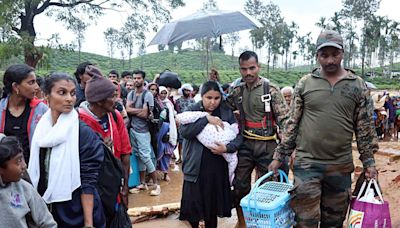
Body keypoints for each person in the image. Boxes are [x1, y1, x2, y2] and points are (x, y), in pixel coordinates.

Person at [269, 30, 378, 227]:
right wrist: (279, 155)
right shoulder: (305, 83)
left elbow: (365, 128)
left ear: (343, 53)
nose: (329, 60)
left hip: (340, 166)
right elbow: (292, 123)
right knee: (305, 221)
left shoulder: (357, 86)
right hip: (307, 165)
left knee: (334, 222)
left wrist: (369, 162)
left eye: (334, 54)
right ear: (317, 55)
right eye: (324, 55)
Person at [28, 73, 106, 228]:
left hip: (75, 211)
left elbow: (88, 179)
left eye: (72, 93)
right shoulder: (42, 129)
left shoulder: (82, 132)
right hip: (48, 209)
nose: (69, 99)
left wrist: (88, 223)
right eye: (62, 93)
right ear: (46, 96)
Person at [226, 50, 289, 227]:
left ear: (258, 67)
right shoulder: (236, 90)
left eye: (252, 68)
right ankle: (242, 222)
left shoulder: (271, 90)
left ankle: (265, 223)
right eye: (243, 69)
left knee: (268, 188)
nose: (248, 73)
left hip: (268, 144)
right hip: (245, 144)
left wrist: (285, 150)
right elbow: (224, 107)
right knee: (239, 186)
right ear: (239, 69)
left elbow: (286, 122)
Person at [179, 81, 243, 228]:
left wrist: (227, 148)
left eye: (216, 98)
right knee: (193, 208)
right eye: (209, 98)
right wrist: (206, 119)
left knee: (212, 209)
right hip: (195, 167)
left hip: (217, 167)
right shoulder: (193, 109)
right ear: (202, 96)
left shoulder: (226, 112)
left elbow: (239, 136)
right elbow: (185, 132)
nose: (213, 102)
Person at [78, 67, 132, 209]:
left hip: (114, 188)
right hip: (90, 191)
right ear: (100, 101)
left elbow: (125, 153)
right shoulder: (79, 121)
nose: (117, 100)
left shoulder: (115, 116)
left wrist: (125, 188)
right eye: (113, 96)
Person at [0, 135, 57, 228]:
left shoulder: (25, 189)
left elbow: (48, 224)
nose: (24, 165)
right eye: (18, 161)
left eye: (22, 158)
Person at [0, 64, 48, 165]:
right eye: (31, 82)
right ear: (15, 86)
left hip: (34, 169)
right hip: (5, 172)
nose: (37, 87)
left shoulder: (42, 109)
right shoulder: (1, 108)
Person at [126, 70, 161, 196]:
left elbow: (146, 114)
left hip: (144, 131)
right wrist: (138, 111)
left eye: (139, 78)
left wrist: (132, 110)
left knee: (145, 156)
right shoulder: (131, 94)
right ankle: (142, 183)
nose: (136, 80)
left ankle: (156, 184)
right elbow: (127, 110)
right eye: (134, 78)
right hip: (133, 129)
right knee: (138, 155)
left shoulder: (148, 95)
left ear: (143, 79)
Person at [175, 83, 195, 164]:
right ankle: (180, 157)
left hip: (190, 123)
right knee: (180, 141)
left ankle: (188, 158)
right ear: (182, 91)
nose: (187, 92)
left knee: (190, 141)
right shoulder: (178, 101)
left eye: (188, 91)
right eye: (185, 90)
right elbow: (177, 111)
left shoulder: (192, 101)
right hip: (181, 123)